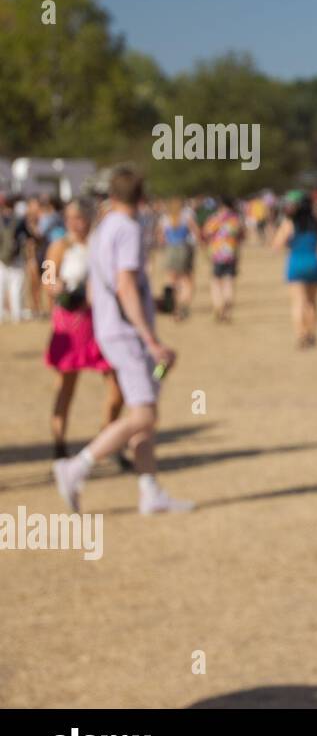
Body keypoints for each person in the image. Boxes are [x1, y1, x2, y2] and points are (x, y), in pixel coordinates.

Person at [52, 166, 192, 514]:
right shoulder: (128, 228)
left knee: (147, 405)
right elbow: (125, 284)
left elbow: (111, 287)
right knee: (143, 414)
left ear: (111, 196)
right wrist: (149, 338)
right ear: (142, 197)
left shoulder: (104, 229)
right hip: (128, 333)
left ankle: (149, 489)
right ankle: (77, 466)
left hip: (115, 327)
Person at [43, 198, 127, 460]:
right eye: (71, 219)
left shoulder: (99, 243)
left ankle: (108, 438)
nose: (77, 224)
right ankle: (59, 445)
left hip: (100, 321)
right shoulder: (59, 246)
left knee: (116, 386)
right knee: (66, 386)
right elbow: (47, 278)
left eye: (81, 218)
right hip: (71, 322)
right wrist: (57, 288)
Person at [272, 189, 317, 348]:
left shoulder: (289, 223)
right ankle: (312, 334)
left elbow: (276, 245)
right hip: (314, 263)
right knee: (312, 302)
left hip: (296, 263)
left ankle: (301, 335)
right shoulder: (316, 223)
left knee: (298, 303)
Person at [201, 196, 244, 322]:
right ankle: (228, 308)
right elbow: (241, 236)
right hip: (232, 254)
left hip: (217, 254)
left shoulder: (214, 219)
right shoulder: (235, 220)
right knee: (229, 282)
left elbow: (205, 233)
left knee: (216, 283)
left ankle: (218, 306)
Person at [158, 197, 197, 320]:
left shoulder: (165, 218)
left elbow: (160, 236)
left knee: (171, 281)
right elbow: (195, 231)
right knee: (187, 280)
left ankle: (172, 306)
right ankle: (182, 306)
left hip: (170, 250)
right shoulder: (186, 215)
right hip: (184, 249)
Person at [0, 194, 27, 322]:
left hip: (3, 259)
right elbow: (27, 237)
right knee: (16, 288)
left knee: (2, 288)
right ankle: (17, 315)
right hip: (16, 258)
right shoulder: (20, 220)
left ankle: (3, 315)